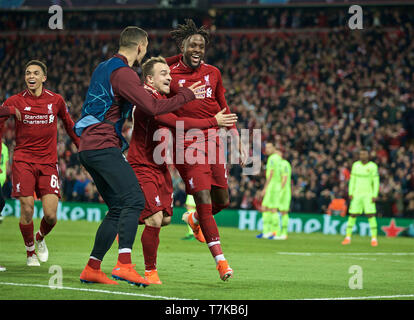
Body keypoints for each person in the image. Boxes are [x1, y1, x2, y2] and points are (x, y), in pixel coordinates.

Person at [76, 27, 205, 286]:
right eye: (145, 48)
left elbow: (137, 86)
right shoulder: (124, 73)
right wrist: (187, 94)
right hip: (103, 144)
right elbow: (153, 106)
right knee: (134, 198)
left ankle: (92, 267)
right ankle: (124, 264)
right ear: (140, 47)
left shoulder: (104, 67)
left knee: (117, 208)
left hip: (89, 145)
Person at [127, 56, 237, 284]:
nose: (170, 77)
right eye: (164, 74)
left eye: (170, 73)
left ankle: (126, 218)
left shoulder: (160, 96)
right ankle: (149, 272)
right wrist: (212, 121)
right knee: (155, 219)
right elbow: (178, 123)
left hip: (160, 167)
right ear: (149, 79)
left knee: (165, 220)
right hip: (142, 165)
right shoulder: (147, 100)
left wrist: (185, 55)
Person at [166, 19, 245, 281]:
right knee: (204, 199)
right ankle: (222, 262)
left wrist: (237, 141)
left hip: (214, 142)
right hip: (186, 144)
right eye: (193, 44)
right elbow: (147, 76)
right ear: (183, 47)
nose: (198, 48)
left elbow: (224, 107)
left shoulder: (213, 73)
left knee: (221, 201)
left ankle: (195, 220)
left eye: (201, 45)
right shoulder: (169, 72)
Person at [0, 59, 80, 267]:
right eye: (27, 73)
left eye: (35, 73)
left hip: (48, 163)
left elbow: (69, 125)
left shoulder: (56, 100)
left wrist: (81, 146)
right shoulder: (15, 101)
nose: (31, 76)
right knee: (27, 208)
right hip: (23, 161)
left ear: (44, 77)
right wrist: (7, 112)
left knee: (51, 215)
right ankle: (30, 253)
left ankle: (40, 237)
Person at [342, 149, 380, 247]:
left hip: (368, 194)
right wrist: (351, 192)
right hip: (357, 194)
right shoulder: (356, 165)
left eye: (364, 154)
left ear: (368, 155)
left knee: (371, 215)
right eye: (361, 154)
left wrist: (375, 194)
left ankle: (374, 238)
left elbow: (376, 181)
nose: (362, 156)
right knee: (353, 214)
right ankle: (347, 237)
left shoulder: (372, 166)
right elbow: (352, 180)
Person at [257, 142, 281, 239]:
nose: (267, 149)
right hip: (276, 186)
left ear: (274, 148)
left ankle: (275, 232)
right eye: (266, 147)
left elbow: (271, 174)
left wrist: (265, 188)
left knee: (272, 209)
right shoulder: (278, 158)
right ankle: (268, 231)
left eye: (269, 147)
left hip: (273, 187)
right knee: (266, 208)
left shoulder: (272, 158)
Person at [272, 151, 292, 240]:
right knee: (279, 211)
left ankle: (283, 233)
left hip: (283, 191)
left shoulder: (284, 164)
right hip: (281, 191)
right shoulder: (280, 164)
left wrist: (280, 190)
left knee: (282, 211)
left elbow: (285, 178)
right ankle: (278, 232)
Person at [0, 140, 8, 224]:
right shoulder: (5, 148)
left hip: (2, 177)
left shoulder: (5, 148)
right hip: (2, 176)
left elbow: (6, 164)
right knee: (1, 201)